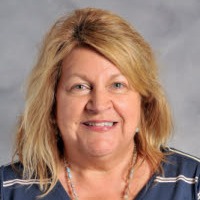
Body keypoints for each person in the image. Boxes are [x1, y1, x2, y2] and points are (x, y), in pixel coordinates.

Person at [0, 7, 199, 200]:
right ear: (52, 103)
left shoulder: (192, 183)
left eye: (118, 85)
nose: (99, 105)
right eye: (80, 87)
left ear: (144, 101)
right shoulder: (6, 189)